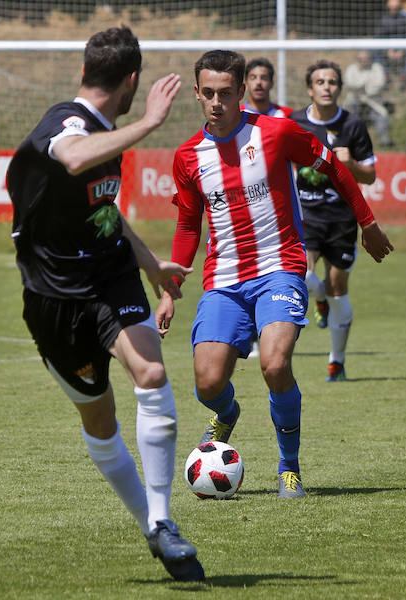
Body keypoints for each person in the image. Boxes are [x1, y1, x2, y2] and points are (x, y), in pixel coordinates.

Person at [5, 26, 204, 582]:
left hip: (111, 276)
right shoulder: (66, 123)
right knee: (100, 418)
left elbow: (105, 210)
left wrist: (150, 265)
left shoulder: (105, 130)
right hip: (55, 298)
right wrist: (148, 125)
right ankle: (151, 527)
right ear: (132, 80)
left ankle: (165, 521)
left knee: (152, 372)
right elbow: (70, 158)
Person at [156, 50, 392, 499]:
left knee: (275, 363)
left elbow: (336, 168)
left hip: (280, 268)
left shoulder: (277, 132)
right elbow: (188, 226)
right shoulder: (188, 157)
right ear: (197, 94)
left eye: (226, 93)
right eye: (208, 93)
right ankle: (226, 413)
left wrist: (368, 223)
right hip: (224, 279)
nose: (217, 102)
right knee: (208, 382)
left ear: (241, 92)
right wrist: (171, 290)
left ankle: (289, 467)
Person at [291, 59, 380, 383]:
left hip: (342, 220)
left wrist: (351, 164)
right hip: (306, 216)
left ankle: (337, 361)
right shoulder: (294, 123)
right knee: (301, 274)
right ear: (309, 88)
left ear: (339, 88)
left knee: (338, 287)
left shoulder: (354, 125)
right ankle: (319, 300)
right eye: (320, 82)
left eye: (332, 82)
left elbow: (369, 176)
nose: (326, 87)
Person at [240, 56, 293, 357]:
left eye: (264, 77)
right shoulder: (235, 116)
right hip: (243, 207)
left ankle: (268, 332)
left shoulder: (285, 116)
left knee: (275, 269)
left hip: (278, 208)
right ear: (246, 83)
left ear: (272, 82)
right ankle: (244, 334)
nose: (259, 82)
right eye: (254, 77)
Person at [344, 50, 394, 147]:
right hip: (355, 100)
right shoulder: (351, 69)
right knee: (349, 111)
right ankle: (350, 138)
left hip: (373, 101)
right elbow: (350, 84)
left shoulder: (377, 68)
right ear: (357, 59)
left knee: (382, 114)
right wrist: (364, 84)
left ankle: (384, 140)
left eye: (366, 59)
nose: (363, 61)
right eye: (360, 59)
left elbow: (379, 84)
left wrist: (363, 88)